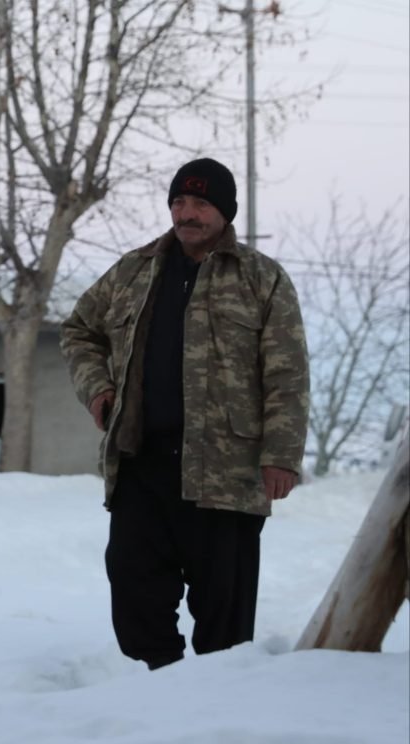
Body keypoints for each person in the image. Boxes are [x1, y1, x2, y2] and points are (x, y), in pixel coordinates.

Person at [60, 158, 309, 670]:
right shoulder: (134, 269)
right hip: (143, 463)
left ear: (224, 211)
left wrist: (281, 455)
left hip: (227, 473)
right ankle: (162, 692)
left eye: (200, 203)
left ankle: (215, 713)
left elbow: (287, 374)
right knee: (135, 597)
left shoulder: (262, 278)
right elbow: (79, 329)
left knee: (225, 625)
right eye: (178, 202)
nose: (186, 213)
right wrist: (98, 390)